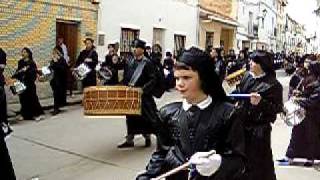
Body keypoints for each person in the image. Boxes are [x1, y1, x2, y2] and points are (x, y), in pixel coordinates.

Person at [136, 47, 246, 180]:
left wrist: (218, 163)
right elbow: (162, 152)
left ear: (204, 78)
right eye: (177, 78)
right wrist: (148, 175)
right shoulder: (167, 113)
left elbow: (239, 160)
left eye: (186, 78)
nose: (179, 84)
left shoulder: (228, 113)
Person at [232, 50, 283, 180]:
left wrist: (261, 103)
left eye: (253, 61)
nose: (250, 63)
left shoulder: (274, 85)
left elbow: (277, 108)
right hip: (242, 125)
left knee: (258, 163)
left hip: (259, 131)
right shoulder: (247, 77)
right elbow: (237, 92)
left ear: (262, 64)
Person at [118, 39, 159, 148]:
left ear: (142, 49)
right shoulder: (130, 61)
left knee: (146, 118)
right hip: (131, 94)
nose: (133, 49)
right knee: (130, 118)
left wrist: (144, 89)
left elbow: (153, 79)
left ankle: (147, 137)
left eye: (135, 47)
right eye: (133, 47)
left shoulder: (147, 63)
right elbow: (126, 76)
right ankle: (130, 140)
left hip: (143, 96)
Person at [278, 60, 320, 167]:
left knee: (311, 139)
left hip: (312, 116)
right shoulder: (310, 80)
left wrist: (298, 100)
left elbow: (313, 101)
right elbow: (308, 95)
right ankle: (290, 157)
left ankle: (309, 159)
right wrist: (300, 94)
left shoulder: (317, 83)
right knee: (297, 137)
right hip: (304, 115)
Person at [12, 47, 44, 121]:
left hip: (30, 84)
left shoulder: (32, 62)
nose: (22, 53)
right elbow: (18, 71)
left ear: (28, 53)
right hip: (22, 83)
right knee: (23, 99)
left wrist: (27, 72)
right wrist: (19, 73)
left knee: (32, 99)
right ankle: (25, 115)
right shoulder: (20, 62)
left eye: (24, 52)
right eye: (22, 52)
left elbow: (34, 72)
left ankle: (37, 114)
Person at [48, 46, 68, 115]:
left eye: (55, 52)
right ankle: (56, 107)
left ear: (59, 53)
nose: (53, 54)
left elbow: (63, 69)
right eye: (53, 53)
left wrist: (56, 63)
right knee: (55, 94)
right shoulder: (53, 60)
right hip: (54, 80)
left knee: (57, 94)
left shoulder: (62, 60)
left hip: (60, 81)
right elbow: (50, 68)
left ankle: (56, 108)